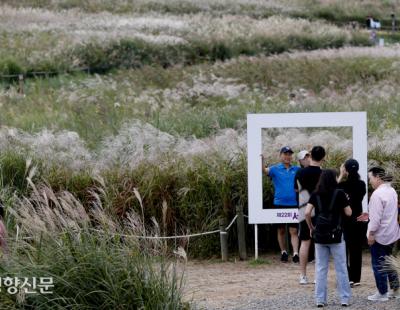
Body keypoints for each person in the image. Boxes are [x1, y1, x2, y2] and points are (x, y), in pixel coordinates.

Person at [305, 169, 352, 307]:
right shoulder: (340, 193)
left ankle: (320, 300)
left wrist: (311, 228)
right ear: (334, 178)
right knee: (341, 268)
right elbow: (349, 213)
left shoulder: (315, 194)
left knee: (320, 268)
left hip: (320, 235)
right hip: (336, 235)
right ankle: (344, 299)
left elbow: (307, 212)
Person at [364, 167, 400, 302]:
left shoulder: (377, 195)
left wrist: (371, 234)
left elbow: (375, 219)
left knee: (378, 264)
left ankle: (382, 292)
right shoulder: (391, 191)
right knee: (390, 262)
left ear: (377, 178)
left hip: (380, 234)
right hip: (392, 233)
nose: (370, 181)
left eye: (371, 178)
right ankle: (396, 290)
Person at [262, 146, 300, 263]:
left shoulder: (297, 169)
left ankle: (295, 253)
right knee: (281, 230)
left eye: (289, 154)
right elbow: (264, 171)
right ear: (280, 156)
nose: (288, 156)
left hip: (294, 203)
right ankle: (283, 252)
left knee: (293, 231)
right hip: (279, 203)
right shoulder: (275, 169)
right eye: (285, 154)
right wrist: (261, 161)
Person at [296, 146, 325, 285]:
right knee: (319, 244)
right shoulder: (325, 174)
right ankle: (317, 277)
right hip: (320, 211)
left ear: (310, 156)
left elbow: (296, 189)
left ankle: (303, 276)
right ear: (323, 158)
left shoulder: (300, 173)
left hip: (303, 210)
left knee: (305, 242)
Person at [337, 159, 367, 287]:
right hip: (358, 219)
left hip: (345, 219)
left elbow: (332, 190)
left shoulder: (342, 185)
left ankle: (347, 277)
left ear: (346, 170)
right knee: (356, 249)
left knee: (344, 249)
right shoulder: (362, 184)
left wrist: (341, 174)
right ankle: (356, 278)